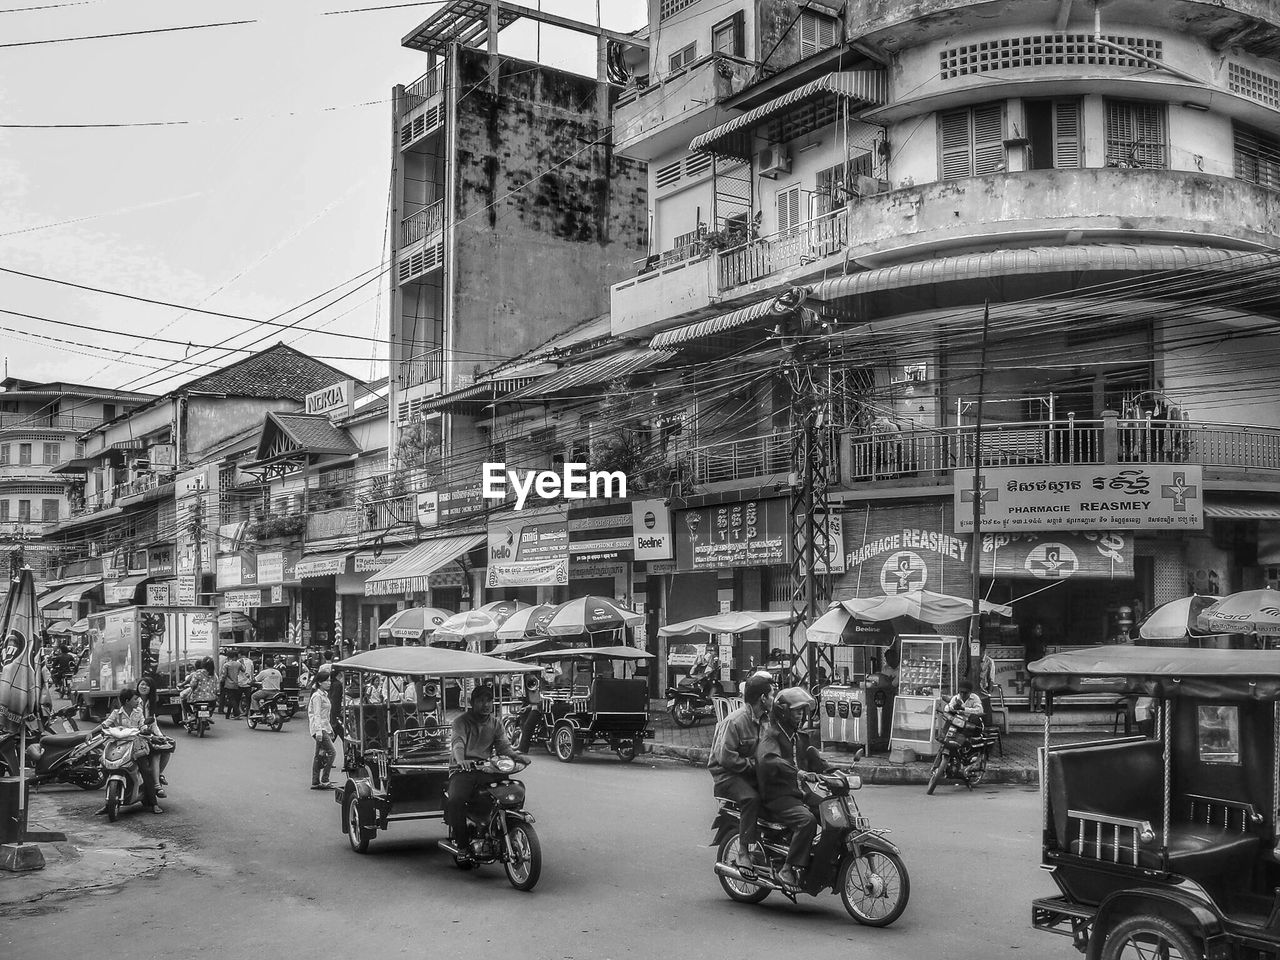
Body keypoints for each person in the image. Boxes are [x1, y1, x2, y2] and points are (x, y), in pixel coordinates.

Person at [446, 685, 530, 860]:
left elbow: (503, 747)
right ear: (472, 703)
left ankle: (504, 828)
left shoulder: (496, 723)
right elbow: (458, 742)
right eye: (481, 700)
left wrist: (518, 757)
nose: (486, 704)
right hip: (463, 770)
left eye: (489, 700)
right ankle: (462, 846)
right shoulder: (461, 721)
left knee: (510, 791)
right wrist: (461, 760)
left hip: (486, 768)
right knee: (455, 800)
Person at [755, 686, 826, 890]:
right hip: (779, 796)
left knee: (830, 811)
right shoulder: (772, 736)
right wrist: (797, 772)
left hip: (800, 793)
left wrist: (838, 773)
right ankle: (787, 868)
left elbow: (815, 761)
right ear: (784, 712)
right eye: (797, 711)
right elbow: (769, 760)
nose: (801, 716)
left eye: (803, 711)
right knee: (807, 821)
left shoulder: (799, 737)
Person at [708, 672, 774, 872]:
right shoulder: (735, 721)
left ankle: (771, 848)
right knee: (751, 798)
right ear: (762, 698)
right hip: (727, 775)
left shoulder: (764, 719)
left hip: (749, 771)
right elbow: (725, 757)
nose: (773, 699)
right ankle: (744, 851)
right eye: (771, 695)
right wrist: (752, 766)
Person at [96, 687, 163, 815]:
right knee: (106, 767)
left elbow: (142, 724)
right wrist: (91, 733)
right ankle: (107, 804)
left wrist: (145, 729)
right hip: (119, 745)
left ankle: (154, 803)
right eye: (135, 698)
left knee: (145, 771)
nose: (137, 700)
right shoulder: (116, 713)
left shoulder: (138, 712)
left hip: (136, 745)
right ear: (127, 701)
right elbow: (105, 724)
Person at [135, 677, 175, 796]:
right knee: (156, 752)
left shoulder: (150, 703)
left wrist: (161, 736)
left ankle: (157, 775)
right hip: (136, 735)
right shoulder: (135, 701)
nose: (143, 687)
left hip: (147, 734)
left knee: (167, 748)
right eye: (142, 684)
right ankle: (157, 785)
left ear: (151, 689)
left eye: (147, 685)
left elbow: (153, 723)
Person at [309, 666, 335, 790]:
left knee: (319, 755)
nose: (329, 683)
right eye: (327, 681)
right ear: (320, 682)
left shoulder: (324, 695)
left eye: (330, 681)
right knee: (332, 752)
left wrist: (330, 729)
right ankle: (325, 779)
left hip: (324, 728)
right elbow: (317, 715)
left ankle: (315, 781)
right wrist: (319, 731)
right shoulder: (317, 696)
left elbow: (326, 716)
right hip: (318, 729)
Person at [220, 652, 247, 719]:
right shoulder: (238, 664)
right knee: (232, 698)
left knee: (231, 699)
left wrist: (221, 682)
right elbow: (244, 670)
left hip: (228, 684)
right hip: (236, 684)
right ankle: (228, 715)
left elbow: (224, 675)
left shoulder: (226, 665)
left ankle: (237, 712)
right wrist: (242, 663)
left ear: (229, 657)